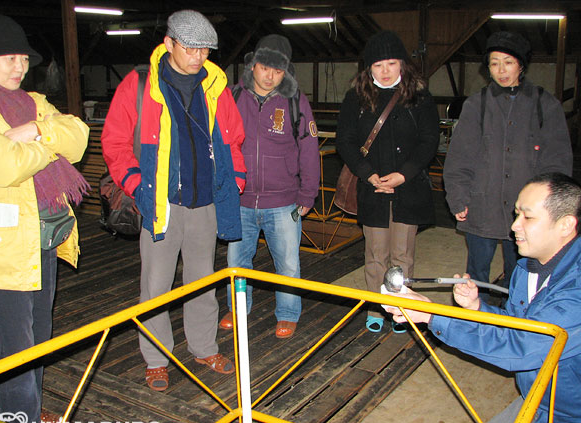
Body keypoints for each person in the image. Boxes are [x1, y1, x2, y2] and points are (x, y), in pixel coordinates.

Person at [101, 10, 246, 391]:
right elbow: (115, 141)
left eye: (205, 50)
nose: (199, 57)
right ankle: (156, 358)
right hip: (160, 205)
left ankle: (204, 347)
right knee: (156, 285)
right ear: (168, 43)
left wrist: (236, 178)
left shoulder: (215, 86)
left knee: (203, 281)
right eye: (191, 48)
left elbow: (232, 138)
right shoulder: (140, 84)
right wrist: (136, 185)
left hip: (205, 203)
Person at [386, 172, 581, 423]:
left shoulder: (576, 290)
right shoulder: (529, 268)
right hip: (539, 402)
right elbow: (517, 326)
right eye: (516, 214)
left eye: (527, 217)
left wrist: (431, 315)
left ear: (565, 225)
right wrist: (477, 307)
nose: (514, 226)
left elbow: (520, 348)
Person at [0, 14, 89, 423]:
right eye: (9, 58)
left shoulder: (35, 103)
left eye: (23, 58)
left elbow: (78, 136)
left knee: (40, 333)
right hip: (1, 246)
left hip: (43, 237)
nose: (19, 67)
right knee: (16, 343)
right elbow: (4, 165)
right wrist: (50, 145)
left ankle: (29, 413)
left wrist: (34, 130)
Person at [443, 31, 572, 303]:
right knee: (476, 273)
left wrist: (550, 206)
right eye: (494, 63)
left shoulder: (545, 105)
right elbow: (459, 158)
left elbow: (558, 162)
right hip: (481, 206)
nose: (501, 70)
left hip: (528, 212)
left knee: (522, 274)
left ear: (521, 65)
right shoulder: (476, 105)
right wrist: (458, 197)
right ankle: (475, 319)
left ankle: (516, 318)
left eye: (508, 62)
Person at [336, 30, 439, 333]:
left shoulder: (420, 97)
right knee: (375, 254)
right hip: (372, 188)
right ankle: (376, 308)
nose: (385, 71)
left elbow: (429, 140)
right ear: (368, 68)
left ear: (402, 64)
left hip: (407, 188)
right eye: (378, 65)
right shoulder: (356, 98)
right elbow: (345, 140)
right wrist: (367, 173)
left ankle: (402, 309)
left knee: (402, 254)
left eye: (391, 64)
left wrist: (404, 174)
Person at [218, 34, 319, 339]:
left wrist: (308, 193)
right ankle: (238, 308)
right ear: (253, 65)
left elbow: (309, 149)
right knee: (237, 262)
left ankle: (288, 313)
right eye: (265, 68)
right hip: (240, 198)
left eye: (277, 71)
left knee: (287, 263)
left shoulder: (295, 101)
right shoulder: (233, 97)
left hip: (283, 200)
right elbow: (219, 143)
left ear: (285, 71)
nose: (270, 76)